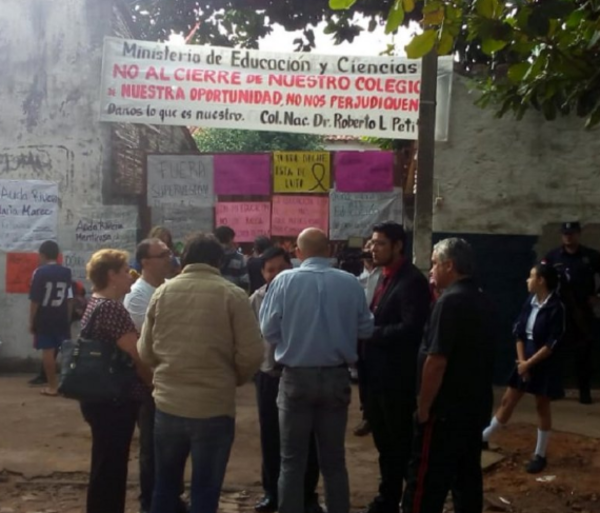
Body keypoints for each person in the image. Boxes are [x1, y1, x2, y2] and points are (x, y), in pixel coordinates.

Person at [138, 232, 263, 513]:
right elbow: (253, 353)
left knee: (165, 487)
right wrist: (233, 378)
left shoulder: (162, 293)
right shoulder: (232, 295)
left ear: (184, 259)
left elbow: (145, 351)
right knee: (205, 489)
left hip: (168, 407)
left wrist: (168, 371)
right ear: (218, 260)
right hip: (214, 409)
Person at [260, 228, 374, 513]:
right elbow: (366, 328)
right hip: (336, 377)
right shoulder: (350, 283)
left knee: (291, 461)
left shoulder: (284, 282)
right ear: (330, 250)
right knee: (334, 461)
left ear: (298, 253)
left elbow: (268, 330)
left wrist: (295, 334)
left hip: (296, 379)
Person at [401, 238, 496, 513]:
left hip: (444, 413)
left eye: (434, 264)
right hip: (474, 408)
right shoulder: (484, 299)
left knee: (425, 483)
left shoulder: (449, 302)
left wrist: (423, 408)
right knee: (466, 479)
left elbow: (437, 361)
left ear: (449, 265)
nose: (430, 270)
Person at [362, 222, 430, 513]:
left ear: (398, 245)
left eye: (379, 243)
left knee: (399, 445)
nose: (372, 248)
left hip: (396, 378)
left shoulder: (411, 281)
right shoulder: (384, 277)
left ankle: (407, 501)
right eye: (372, 243)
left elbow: (412, 329)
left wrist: (371, 333)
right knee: (385, 444)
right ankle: (388, 498)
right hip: (376, 376)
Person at [80, 249, 153, 513]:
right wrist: (153, 385)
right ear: (111, 275)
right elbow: (134, 353)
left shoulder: (96, 302)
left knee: (104, 463)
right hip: (114, 400)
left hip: (99, 397)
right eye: (124, 272)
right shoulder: (111, 308)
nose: (129, 277)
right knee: (111, 467)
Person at [250, 247, 322, 513]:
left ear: (291, 267)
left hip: (300, 373)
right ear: (262, 273)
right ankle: (272, 492)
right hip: (269, 376)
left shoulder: (308, 296)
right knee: (270, 436)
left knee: (307, 436)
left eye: (281, 269)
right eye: (270, 270)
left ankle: (307, 494)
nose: (276, 275)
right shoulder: (256, 299)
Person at [483, 263, 565, 474]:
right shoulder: (529, 301)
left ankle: (540, 454)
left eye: (531, 277)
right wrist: (522, 363)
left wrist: (530, 364)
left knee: (541, 406)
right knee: (508, 400)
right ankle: (483, 438)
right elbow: (519, 332)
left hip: (542, 361)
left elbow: (551, 344)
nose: (527, 281)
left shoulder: (556, 307)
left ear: (541, 281)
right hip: (525, 357)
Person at [124, 238, 186, 513]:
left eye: (169, 254)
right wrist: (151, 382)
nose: (169, 259)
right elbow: (142, 346)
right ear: (146, 261)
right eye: (163, 255)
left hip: (169, 381)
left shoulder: (166, 289)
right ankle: (150, 502)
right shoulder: (138, 295)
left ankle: (170, 497)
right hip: (150, 382)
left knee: (172, 447)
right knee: (151, 447)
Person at [544, 221, 600, 404]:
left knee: (583, 352)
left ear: (578, 234)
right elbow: (540, 277)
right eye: (566, 234)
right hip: (558, 310)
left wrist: (597, 296)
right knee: (554, 350)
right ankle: (554, 389)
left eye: (572, 233)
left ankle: (584, 392)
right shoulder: (553, 257)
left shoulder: (590, 256)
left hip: (582, 310)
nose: (568, 236)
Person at [28, 240, 73, 396]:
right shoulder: (66, 272)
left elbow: (35, 300)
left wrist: (31, 320)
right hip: (61, 315)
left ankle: (52, 386)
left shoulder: (39, 272)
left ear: (42, 255)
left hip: (45, 316)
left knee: (48, 351)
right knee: (66, 351)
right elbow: (69, 298)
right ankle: (67, 384)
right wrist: (67, 316)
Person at [354, 239, 381, 437]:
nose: (369, 258)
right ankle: (367, 415)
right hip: (361, 333)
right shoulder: (359, 278)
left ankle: (376, 416)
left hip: (380, 333)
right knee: (363, 375)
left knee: (377, 377)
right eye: (366, 254)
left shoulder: (384, 276)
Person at [214, 225, 250, 291]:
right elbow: (244, 281)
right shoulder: (239, 258)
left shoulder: (210, 256)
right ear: (230, 239)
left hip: (213, 294)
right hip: (233, 295)